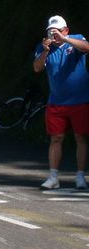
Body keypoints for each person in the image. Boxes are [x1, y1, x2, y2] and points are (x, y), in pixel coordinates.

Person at [33, 15, 89, 190]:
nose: (54, 34)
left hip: (80, 100)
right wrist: (45, 50)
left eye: (58, 30)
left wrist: (65, 39)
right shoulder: (45, 48)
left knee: (81, 137)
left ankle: (80, 176)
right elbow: (37, 68)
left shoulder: (76, 40)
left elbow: (87, 47)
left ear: (66, 30)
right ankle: (53, 176)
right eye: (51, 31)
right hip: (56, 101)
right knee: (56, 138)